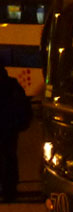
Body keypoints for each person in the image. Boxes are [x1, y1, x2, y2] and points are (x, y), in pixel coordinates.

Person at [0, 65, 29, 202]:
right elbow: (23, 106)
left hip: (6, 127)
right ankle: (10, 191)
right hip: (10, 128)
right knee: (10, 158)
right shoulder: (13, 85)